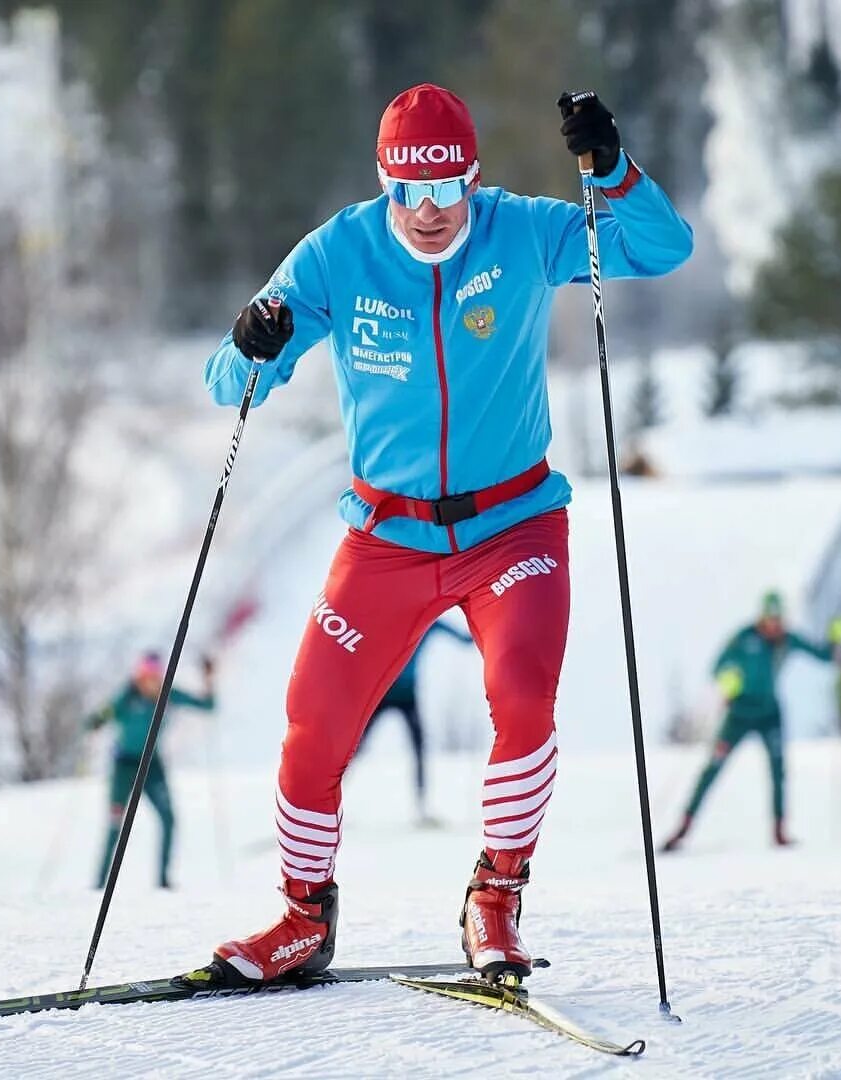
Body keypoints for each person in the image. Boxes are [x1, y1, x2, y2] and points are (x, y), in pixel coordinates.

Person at [191, 83, 692, 987]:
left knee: (524, 694)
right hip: (388, 538)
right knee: (313, 720)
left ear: (472, 177)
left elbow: (662, 248)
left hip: (514, 526)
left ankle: (495, 900)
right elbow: (231, 385)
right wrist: (251, 341)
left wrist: (612, 172)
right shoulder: (339, 254)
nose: (427, 212)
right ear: (385, 181)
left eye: (446, 188)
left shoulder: (524, 231)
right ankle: (304, 918)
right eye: (407, 191)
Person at [662, 592, 841, 851]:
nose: (774, 624)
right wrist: (730, 680)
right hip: (738, 715)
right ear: (762, 616)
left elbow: (824, 656)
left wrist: (836, 636)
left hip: (770, 715)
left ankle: (780, 831)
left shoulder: (787, 640)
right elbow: (719, 666)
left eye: (778, 618)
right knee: (712, 769)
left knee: (778, 771)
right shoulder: (744, 638)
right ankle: (683, 828)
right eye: (770, 618)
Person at [86, 651, 216, 889]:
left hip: (152, 766)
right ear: (139, 678)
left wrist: (208, 679)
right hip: (124, 766)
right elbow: (100, 716)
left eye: (156, 679)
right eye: (147, 678)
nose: (152, 684)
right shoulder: (127, 697)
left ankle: (163, 882)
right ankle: (99, 886)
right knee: (116, 825)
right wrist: (95, 721)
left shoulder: (167, 694)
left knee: (168, 818)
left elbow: (207, 705)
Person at [355, 619, 474, 826]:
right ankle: (331, 803)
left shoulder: (430, 622)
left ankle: (421, 808)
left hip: (408, 697)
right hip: (382, 694)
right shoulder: (394, 618)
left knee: (419, 750)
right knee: (355, 747)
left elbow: (465, 639)